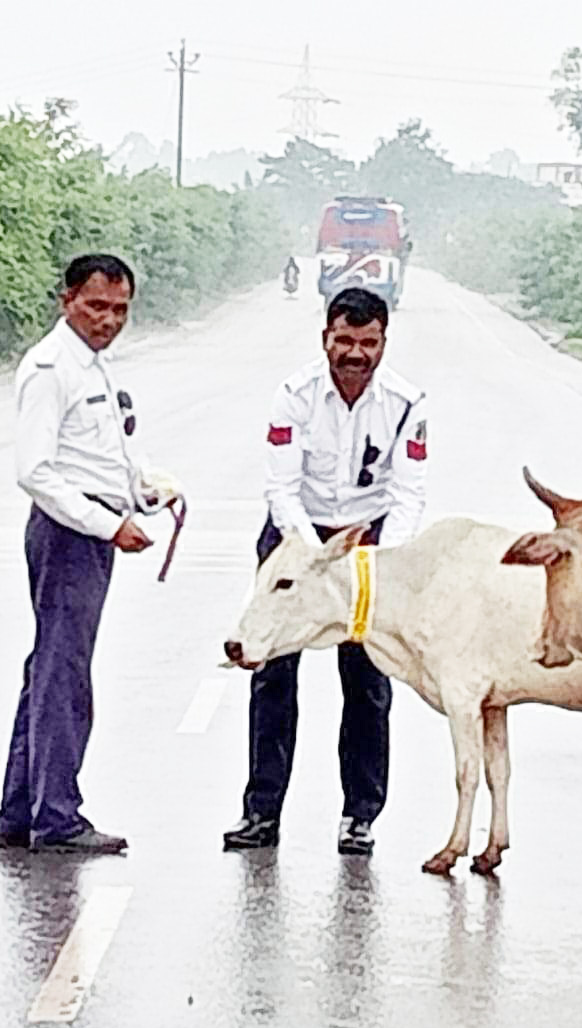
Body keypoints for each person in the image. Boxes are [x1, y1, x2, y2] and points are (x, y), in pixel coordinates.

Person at [224, 287, 429, 855]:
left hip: (368, 540)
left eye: (368, 342)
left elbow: (409, 495)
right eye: (344, 340)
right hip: (296, 536)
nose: (355, 353)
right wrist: (315, 557)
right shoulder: (295, 396)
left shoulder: (407, 404)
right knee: (270, 671)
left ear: (383, 342)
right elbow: (281, 488)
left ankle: (360, 816)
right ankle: (261, 812)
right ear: (325, 339)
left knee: (368, 680)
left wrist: (376, 562)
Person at [0, 253, 179, 855]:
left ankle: (19, 813)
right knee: (63, 674)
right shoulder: (50, 368)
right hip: (68, 533)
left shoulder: (94, 366)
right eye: (96, 306)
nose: (109, 320)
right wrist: (108, 525)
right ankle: (57, 818)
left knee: (49, 669)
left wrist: (143, 491)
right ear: (66, 300)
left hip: (90, 528)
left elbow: (100, 456)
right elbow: (36, 471)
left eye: (120, 309)